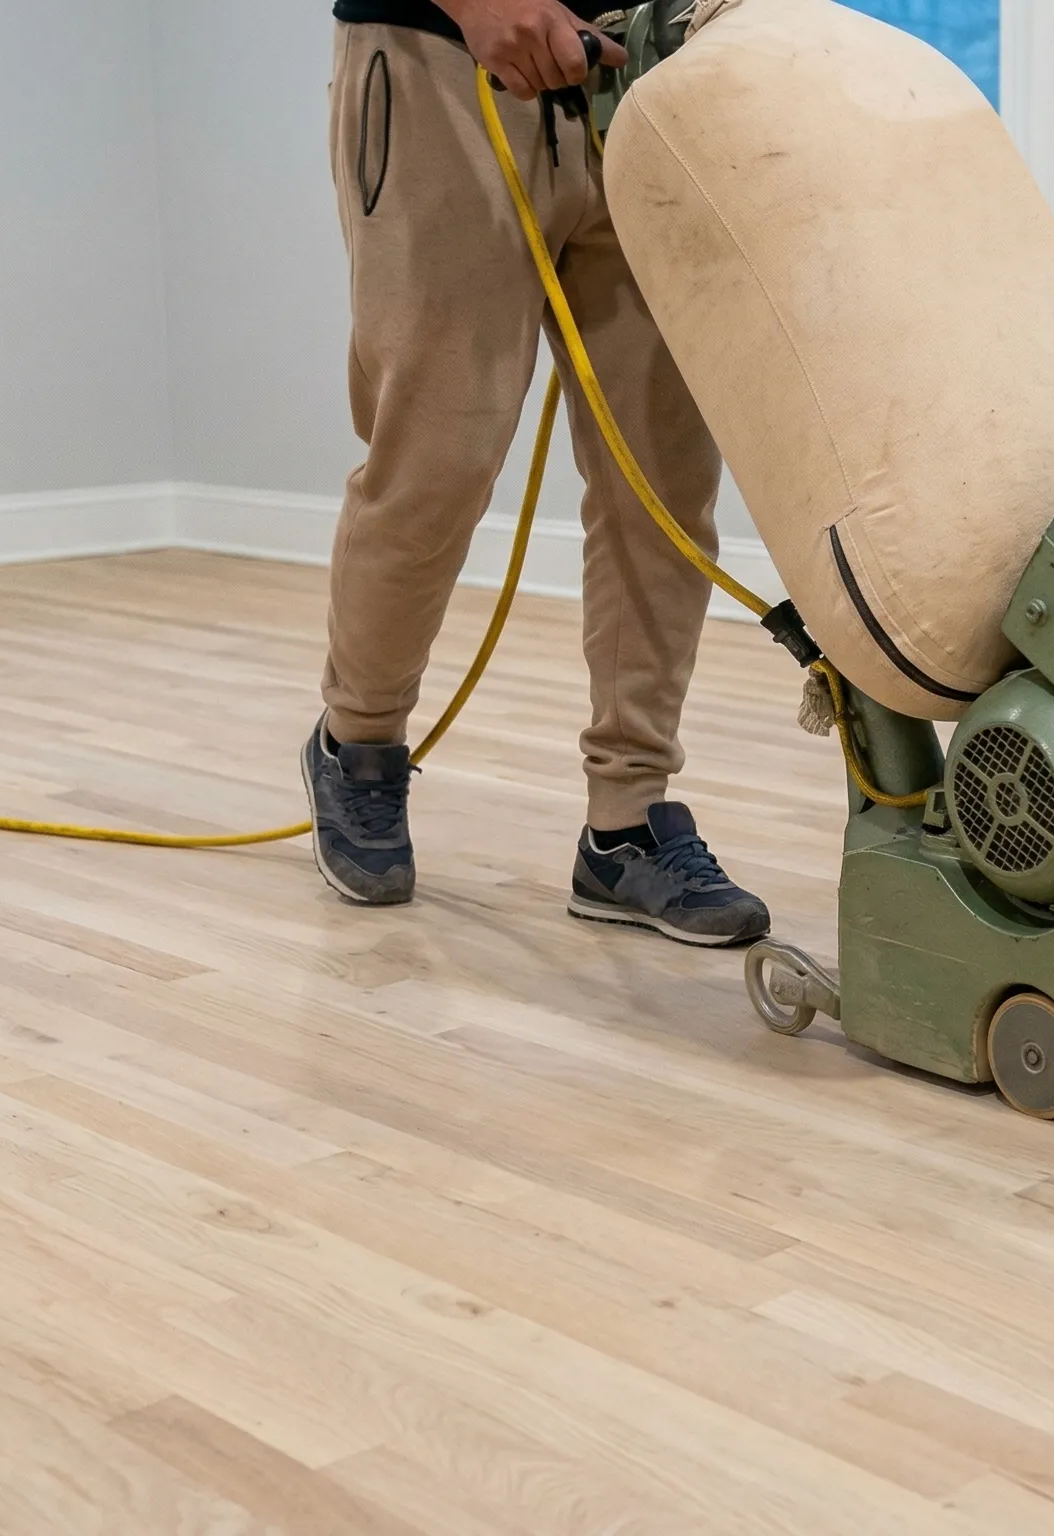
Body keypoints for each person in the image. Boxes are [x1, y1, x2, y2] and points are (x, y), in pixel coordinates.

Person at [304, 0, 770, 948]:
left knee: (663, 481)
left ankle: (626, 823)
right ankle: (357, 742)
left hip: (646, 78)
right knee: (438, 460)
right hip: (440, 66)